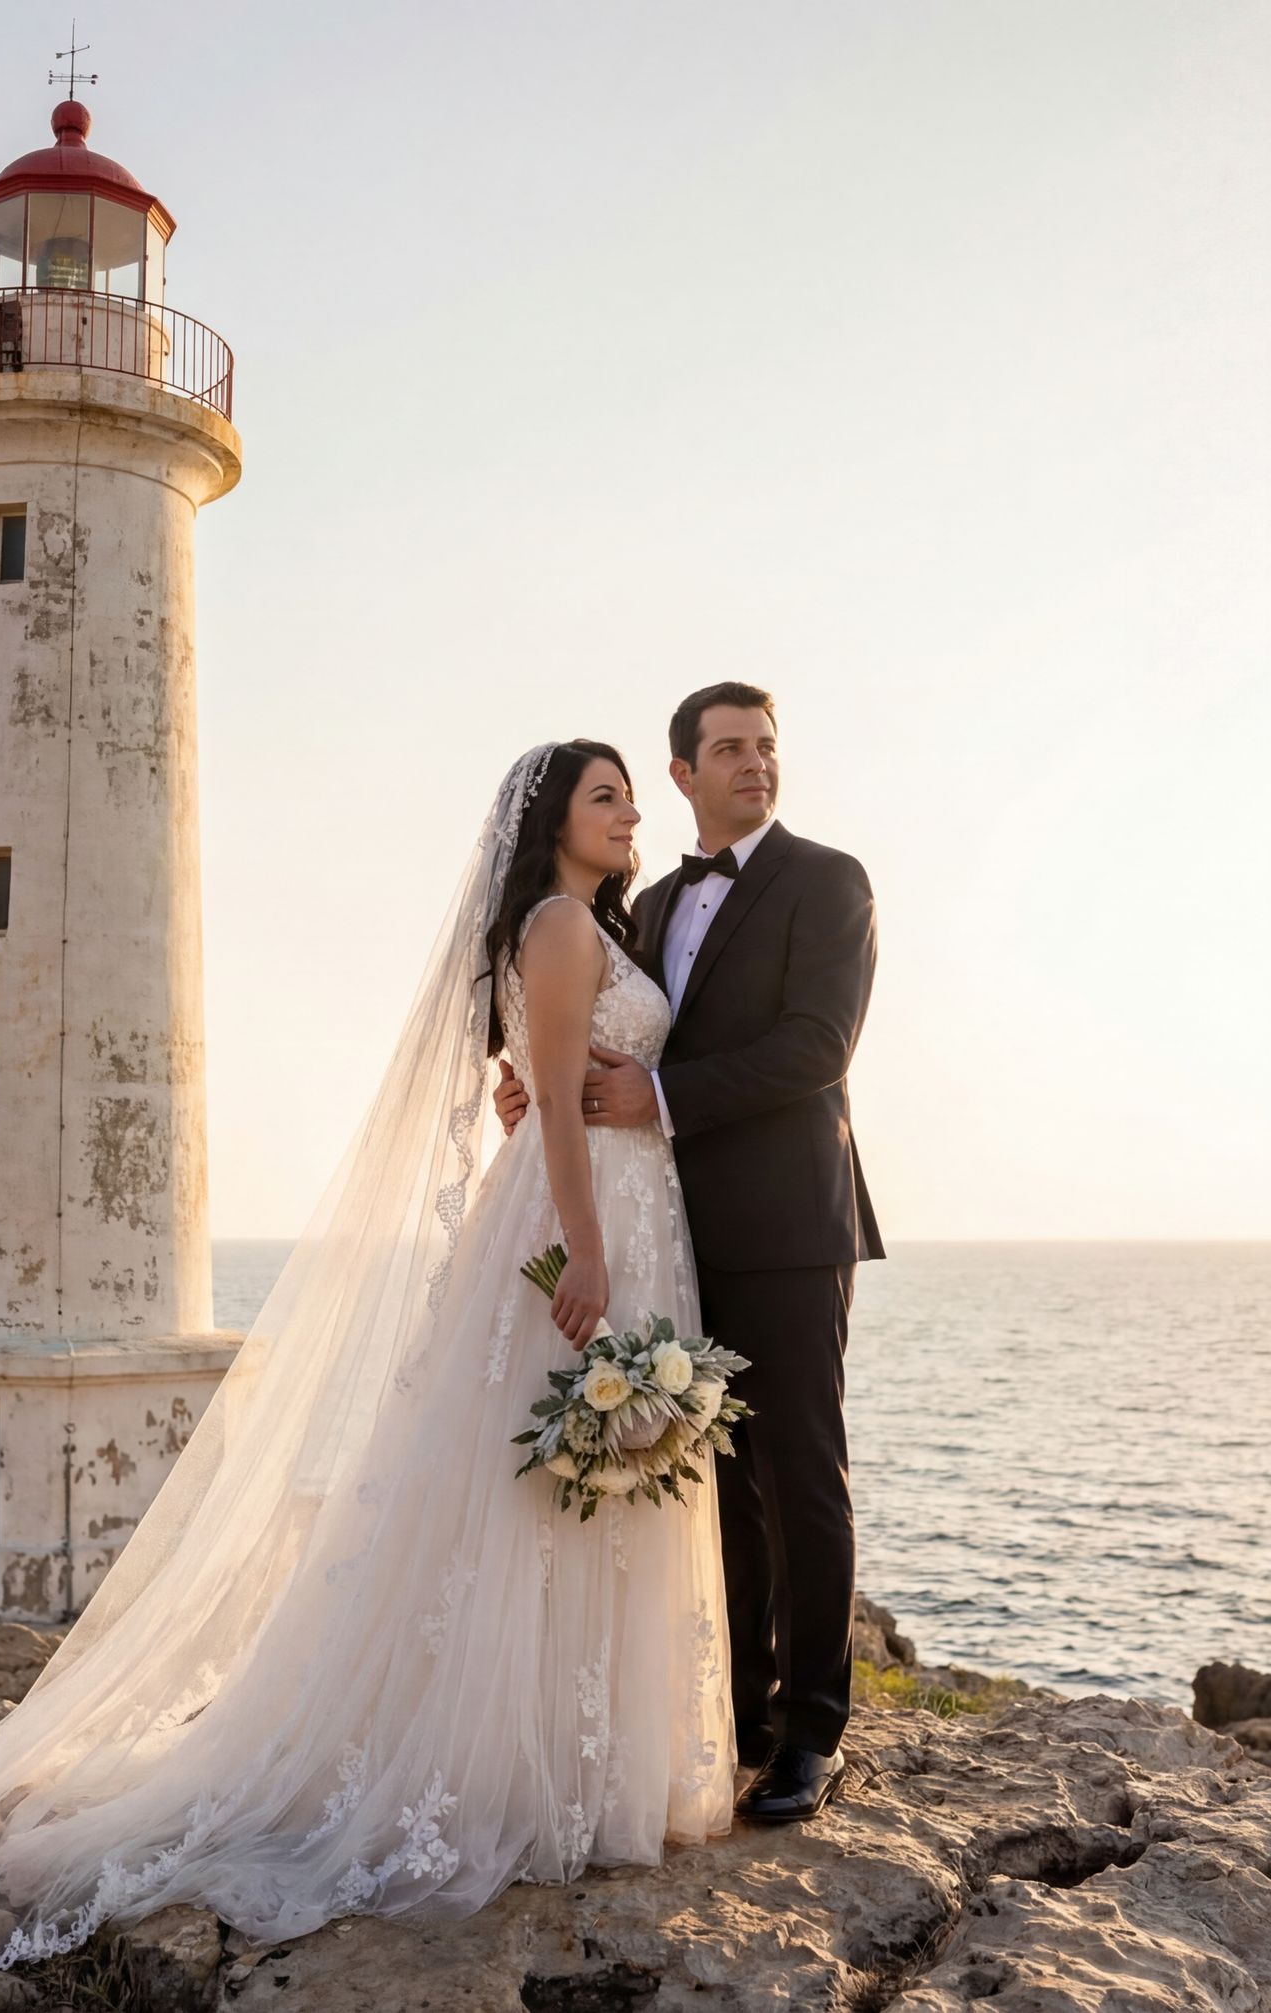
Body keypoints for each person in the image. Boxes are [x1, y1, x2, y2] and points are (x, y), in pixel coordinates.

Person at [0, 742, 733, 1984]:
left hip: (624, 1209)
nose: (631, 812)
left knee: (572, 1491)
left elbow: (533, 1087)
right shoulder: (555, 925)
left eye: (631, 796)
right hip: (581, 1221)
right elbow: (544, 1092)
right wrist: (587, 1251)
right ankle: (529, 1774)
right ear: (552, 822)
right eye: (607, 796)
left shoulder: (588, 924)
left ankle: (587, 1763)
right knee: (542, 1488)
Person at [495, 681, 882, 1824]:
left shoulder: (829, 882)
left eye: (766, 746)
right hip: (675, 1230)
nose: (754, 763)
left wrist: (652, 1094)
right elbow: (580, 1030)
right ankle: (742, 1714)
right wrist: (539, 1089)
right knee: (710, 1480)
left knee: (801, 1473)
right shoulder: (648, 905)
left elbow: (817, 1047)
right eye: (728, 748)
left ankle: (814, 1735)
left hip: (791, 1228)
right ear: (685, 775)